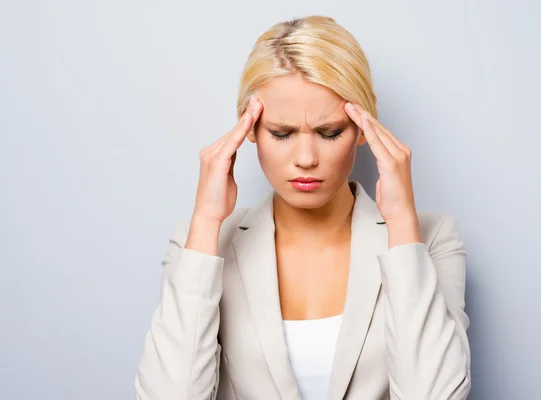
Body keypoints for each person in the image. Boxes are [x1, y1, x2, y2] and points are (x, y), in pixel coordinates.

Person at [134, 15, 471, 400]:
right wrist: (206, 221)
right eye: (282, 133)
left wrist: (402, 223)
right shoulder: (199, 245)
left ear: (363, 129)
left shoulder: (432, 238)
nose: (306, 158)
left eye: (330, 133)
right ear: (249, 131)